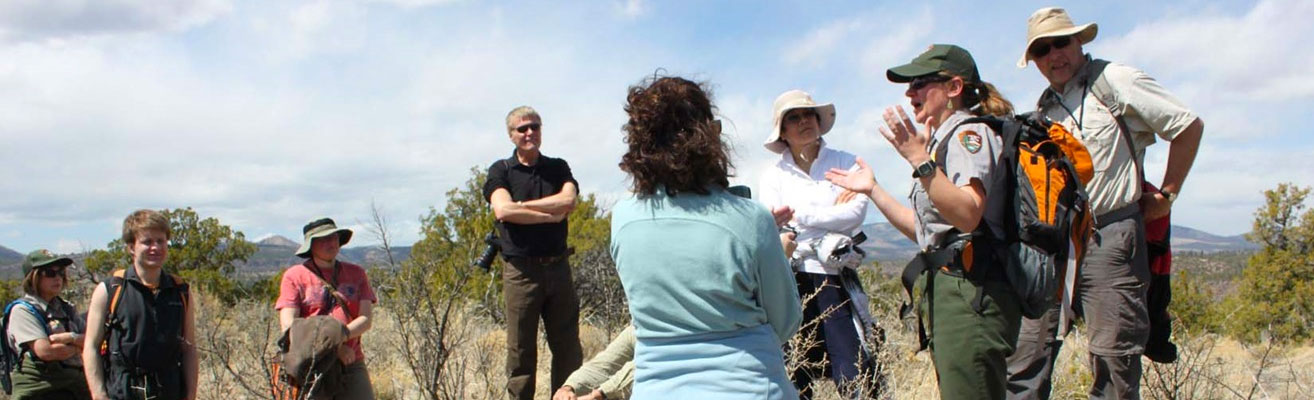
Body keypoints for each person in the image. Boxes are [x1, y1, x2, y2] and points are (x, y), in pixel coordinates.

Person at [1006, 8, 1203, 400]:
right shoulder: (1046, 106)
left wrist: (1167, 194)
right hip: (1054, 245)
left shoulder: (1114, 81)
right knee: (1026, 356)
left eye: (1061, 43)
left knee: (1114, 361)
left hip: (1109, 236)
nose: (1053, 55)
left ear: (1079, 42)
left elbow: (1186, 125)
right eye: (1042, 50)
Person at [825, 44, 1020, 399]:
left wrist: (918, 158)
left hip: (972, 290)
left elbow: (968, 212)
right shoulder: (942, 142)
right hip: (954, 289)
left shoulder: (967, 136)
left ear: (954, 88)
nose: (909, 92)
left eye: (920, 83)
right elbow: (926, 231)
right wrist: (873, 190)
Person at [611, 75, 802, 399]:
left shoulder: (623, 218)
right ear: (710, 135)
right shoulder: (751, 218)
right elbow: (785, 323)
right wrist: (771, 247)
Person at [757, 89, 877, 399]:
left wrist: (799, 216)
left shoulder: (846, 162)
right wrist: (830, 212)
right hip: (792, 278)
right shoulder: (772, 176)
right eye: (793, 118)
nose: (803, 122)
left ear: (818, 120)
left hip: (836, 278)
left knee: (853, 372)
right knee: (795, 371)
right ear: (782, 131)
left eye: (807, 114)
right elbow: (773, 224)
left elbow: (856, 212)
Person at [483, 105, 584, 400]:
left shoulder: (558, 167)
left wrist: (522, 209)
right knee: (521, 353)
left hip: (558, 267)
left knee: (568, 349)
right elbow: (502, 208)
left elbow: (569, 200)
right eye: (522, 128)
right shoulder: (501, 170)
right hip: (520, 272)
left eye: (534, 126)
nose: (529, 133)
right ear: (510, 135)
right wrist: (549, 215)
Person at [83, 209, 197, 400]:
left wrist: (190, 394)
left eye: (161, 241)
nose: (155, 248)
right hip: (123, 391)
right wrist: (98, 394)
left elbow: (189, 348)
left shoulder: (180, 291)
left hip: (168, 390)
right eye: (147, 242)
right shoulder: (110, 289)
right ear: (131, 247)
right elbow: (91, 347)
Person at [275, 217, 377, 399]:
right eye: (323, 239)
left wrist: (341, 338)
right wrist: (335, 348)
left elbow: (365, 319)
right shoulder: (294, 276)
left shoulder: (356, 273)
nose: (331, 242)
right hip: (311, 364)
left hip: (351, 362)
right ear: (310, 246)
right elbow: (289, 326)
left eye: (334, 237)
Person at [3, 250, 89, 399]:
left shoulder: (66, 308)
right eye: (49, 273)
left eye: (61, 272)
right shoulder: (23, 310)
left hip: (73, 387)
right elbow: (46, 351)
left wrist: (70, 337)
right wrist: (78, 345)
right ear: (33, 277)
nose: (58, 278)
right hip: (40, 391)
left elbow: (92, 340)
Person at [553, 326, 635, 400]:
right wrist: (568, 388)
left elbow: (643, 368)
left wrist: (599, 394)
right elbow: (604, 365)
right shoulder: (636, 328)